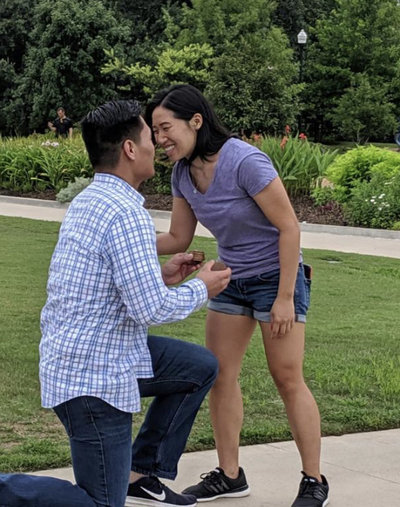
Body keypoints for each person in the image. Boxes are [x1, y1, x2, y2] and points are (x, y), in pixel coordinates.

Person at [0, 99, 232, 507]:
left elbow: (105, 285)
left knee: (198, 367)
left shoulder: (92, 201)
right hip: (92, 378)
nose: (157, 144)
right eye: (149, 136)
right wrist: (203, 287)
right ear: (129, 149)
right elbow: (150, 311)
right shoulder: (125, 213)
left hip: (93, 353)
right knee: (100, 505)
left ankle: (141, 471)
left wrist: (161, 275)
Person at [146, 84, 329, 507]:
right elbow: (178, 237)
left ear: (196, 120)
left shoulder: (244, 160)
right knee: (219, 375)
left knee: (287, 378)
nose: (159, 140)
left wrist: (285, 297)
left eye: (165, 127)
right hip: (230, 278)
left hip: (276, 279)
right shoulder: (181, 174)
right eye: (154, 132)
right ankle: (230, 475)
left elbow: (289, 228)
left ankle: (314, 480)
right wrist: (119, 235)